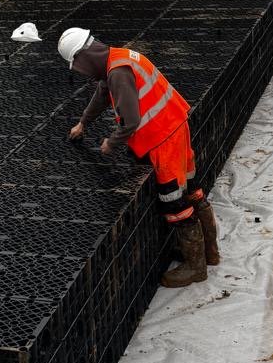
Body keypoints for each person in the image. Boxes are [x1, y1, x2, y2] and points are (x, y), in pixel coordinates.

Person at [57, 27, 219, 288]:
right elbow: (102, 94)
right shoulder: (117, 58)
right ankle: (208, 253)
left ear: (83, 57)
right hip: (174, 125)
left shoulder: (118, 73)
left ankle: (195, 267)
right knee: (191, 189)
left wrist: (111, 143)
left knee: (174, 203)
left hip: (162, 137)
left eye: (76, 65)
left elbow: (131, 121)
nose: (79, 72)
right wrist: (83, 123)